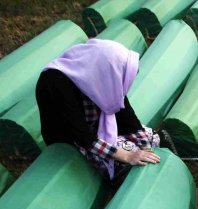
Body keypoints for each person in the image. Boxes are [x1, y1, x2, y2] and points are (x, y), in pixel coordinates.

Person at [36, 38, 160, 185]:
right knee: (128, 154)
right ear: (108, 67)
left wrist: (146, 147)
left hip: (98, 127)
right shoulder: (55, 82)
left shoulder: (104, 75)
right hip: (74, 140)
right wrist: (127, 156)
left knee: (152, 138)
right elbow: (81, 135)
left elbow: (125, 115)